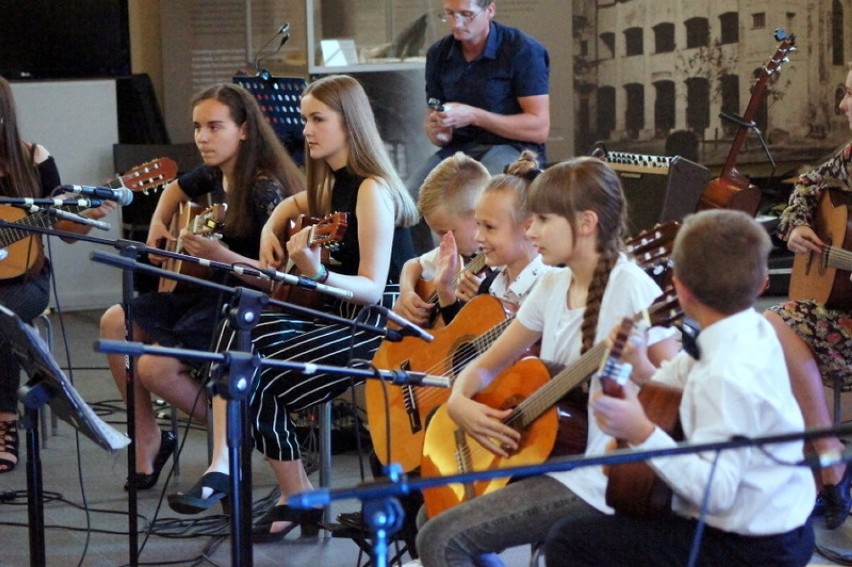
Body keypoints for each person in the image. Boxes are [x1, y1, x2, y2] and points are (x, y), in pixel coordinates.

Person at [168, 75, 419, 542]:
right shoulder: (333, 185)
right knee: (242, 328)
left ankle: (279, 487)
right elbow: (295, 201)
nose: (305, 129)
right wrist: (272, 227)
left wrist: (317, 272)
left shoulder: (371, 189)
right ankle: (287, 490)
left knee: (254, 366)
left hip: (381, 324)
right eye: (305, 119)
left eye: (317, 119)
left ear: (350, 125)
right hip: (338, 315)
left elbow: (369, 289)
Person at [415, 156, 680, 567]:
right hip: (552, 456)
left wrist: (640, 366)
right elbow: (486, 363)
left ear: (587, 223)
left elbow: (677, 393)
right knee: (433, 507)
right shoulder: (554, 284)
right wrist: (460, 401)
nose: (531, 230)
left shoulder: (632, 289)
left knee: (443, 537)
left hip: (599, 477)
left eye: (541, 219)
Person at [544, 210, 816, 566]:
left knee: (569, 542)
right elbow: (677, 379)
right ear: (763, 283)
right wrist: (640, 367)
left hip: (750, 546)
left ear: (680, 290)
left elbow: (716, 494)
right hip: (781, 517)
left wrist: (640, 432)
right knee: (624, 507)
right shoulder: (747, 326)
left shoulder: (725, 375)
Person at [99, 82, 303, 490]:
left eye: (215, 127)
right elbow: (175, 188)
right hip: (209, 290)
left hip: (250, 302)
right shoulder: (217, 171)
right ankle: (149, 440)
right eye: (197, 128)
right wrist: (159, 221)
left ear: (244, 130)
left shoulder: (266, 188)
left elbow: (277, 279)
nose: (203, 138)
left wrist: (219, 256)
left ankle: (237, 432)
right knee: (114, 322)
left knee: (154, 367)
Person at [0, 76, 116, 473]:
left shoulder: (32, 157)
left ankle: (4, 423)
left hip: (25, 283)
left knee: (2, 315)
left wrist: (85, 215)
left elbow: (62, 231)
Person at [763, 65, 852, 531]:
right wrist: (796, 225)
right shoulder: (849, 157)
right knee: (773, 326)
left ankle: (828, 466)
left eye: (851, 95)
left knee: (777, 325)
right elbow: (805, 185)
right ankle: (826, 456)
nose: (842, 105)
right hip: (840, 314)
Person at [405, 0, 550, 252]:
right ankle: (429, 275)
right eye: (449, 15)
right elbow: (436, 127)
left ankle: (478, 273)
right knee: (408, 201)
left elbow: (539, 127)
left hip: (512, 146)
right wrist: (437, 129)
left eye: (466, 15)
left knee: (481, 198)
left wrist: (474, 116)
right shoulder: (439, 54)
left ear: (490, 10)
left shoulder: (522, 50)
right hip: (459, 149)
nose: (456, 23)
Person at [394, 151, 488, 328]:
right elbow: (413, 264)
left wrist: (485, 294)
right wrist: (407, 292)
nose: (442, 241)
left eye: (447, 232)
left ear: (479, 216)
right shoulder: (455, 251)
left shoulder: (501, 258)